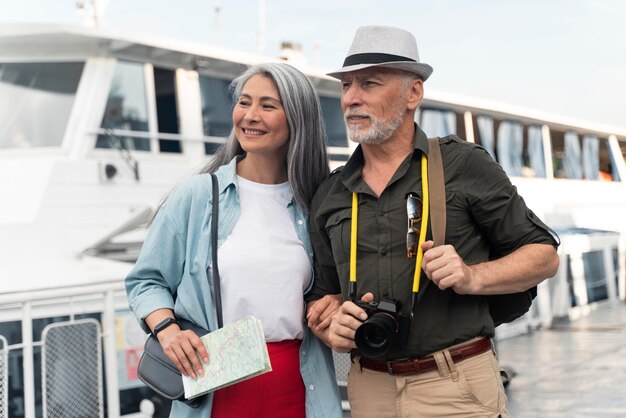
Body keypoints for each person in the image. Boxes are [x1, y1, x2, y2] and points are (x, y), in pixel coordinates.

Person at [305, 26, 560, 417]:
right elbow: (324, 297)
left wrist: (472, 276)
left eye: (369, 83)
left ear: (414, 93)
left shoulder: (464, 163)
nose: (351, 99)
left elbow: (544, 255)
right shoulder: (331, 192)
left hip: (455, 384)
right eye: (346, 86)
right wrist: (331, 325)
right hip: (369, 387)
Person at [126, 62, 342, 418]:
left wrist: (333, 300)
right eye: (244, 102)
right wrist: (167, 331)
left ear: (297, 120)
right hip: (214, 387)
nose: (250, 115)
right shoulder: (197, 195)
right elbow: (146, 281)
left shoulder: (315, 202)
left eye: (268, 106)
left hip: (300, 387)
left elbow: (331, 285)